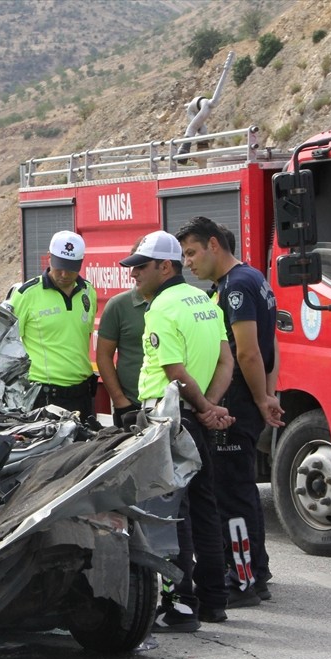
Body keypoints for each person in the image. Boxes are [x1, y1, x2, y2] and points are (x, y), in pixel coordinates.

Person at [121, 232, 234, 631]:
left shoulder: (162, 309)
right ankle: (214, 601)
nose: (133, 273)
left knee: (170, 514)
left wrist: (203, 407)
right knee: (205, 509)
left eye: (141, 266)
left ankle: (181, 605)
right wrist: (211, 406)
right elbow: (226, 360)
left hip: (167, 420)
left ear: (164, 267)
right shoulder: (204, 301)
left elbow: (174, 371)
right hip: (194, 419)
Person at [178, 216, 284, 607]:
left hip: (236, 403)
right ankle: (256, 569)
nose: (188, 262)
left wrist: (259, 399)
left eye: (192, 253)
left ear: (213, 245)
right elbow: (275, 345)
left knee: (230, 495)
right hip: (247, 400)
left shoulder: (236, 287)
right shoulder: (253, 278)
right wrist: (270, 394)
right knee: (242, 491)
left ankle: (242, 580)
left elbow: (249, 350)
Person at [7, 230, 98, 419]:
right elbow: (7, 345)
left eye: (71, 268)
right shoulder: (26, 295)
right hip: (45, 397)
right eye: (60, 267)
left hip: (82, 394)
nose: (64, 274)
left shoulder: (88, 292)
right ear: (49, 259)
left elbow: (82, 339)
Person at [95, 285, 148, 429]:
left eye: (143, 266)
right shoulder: (118, 305)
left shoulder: (175, 303)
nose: (134, 273)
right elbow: (103, 356)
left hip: (173, 404)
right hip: (132, 404)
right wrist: (120, 401)